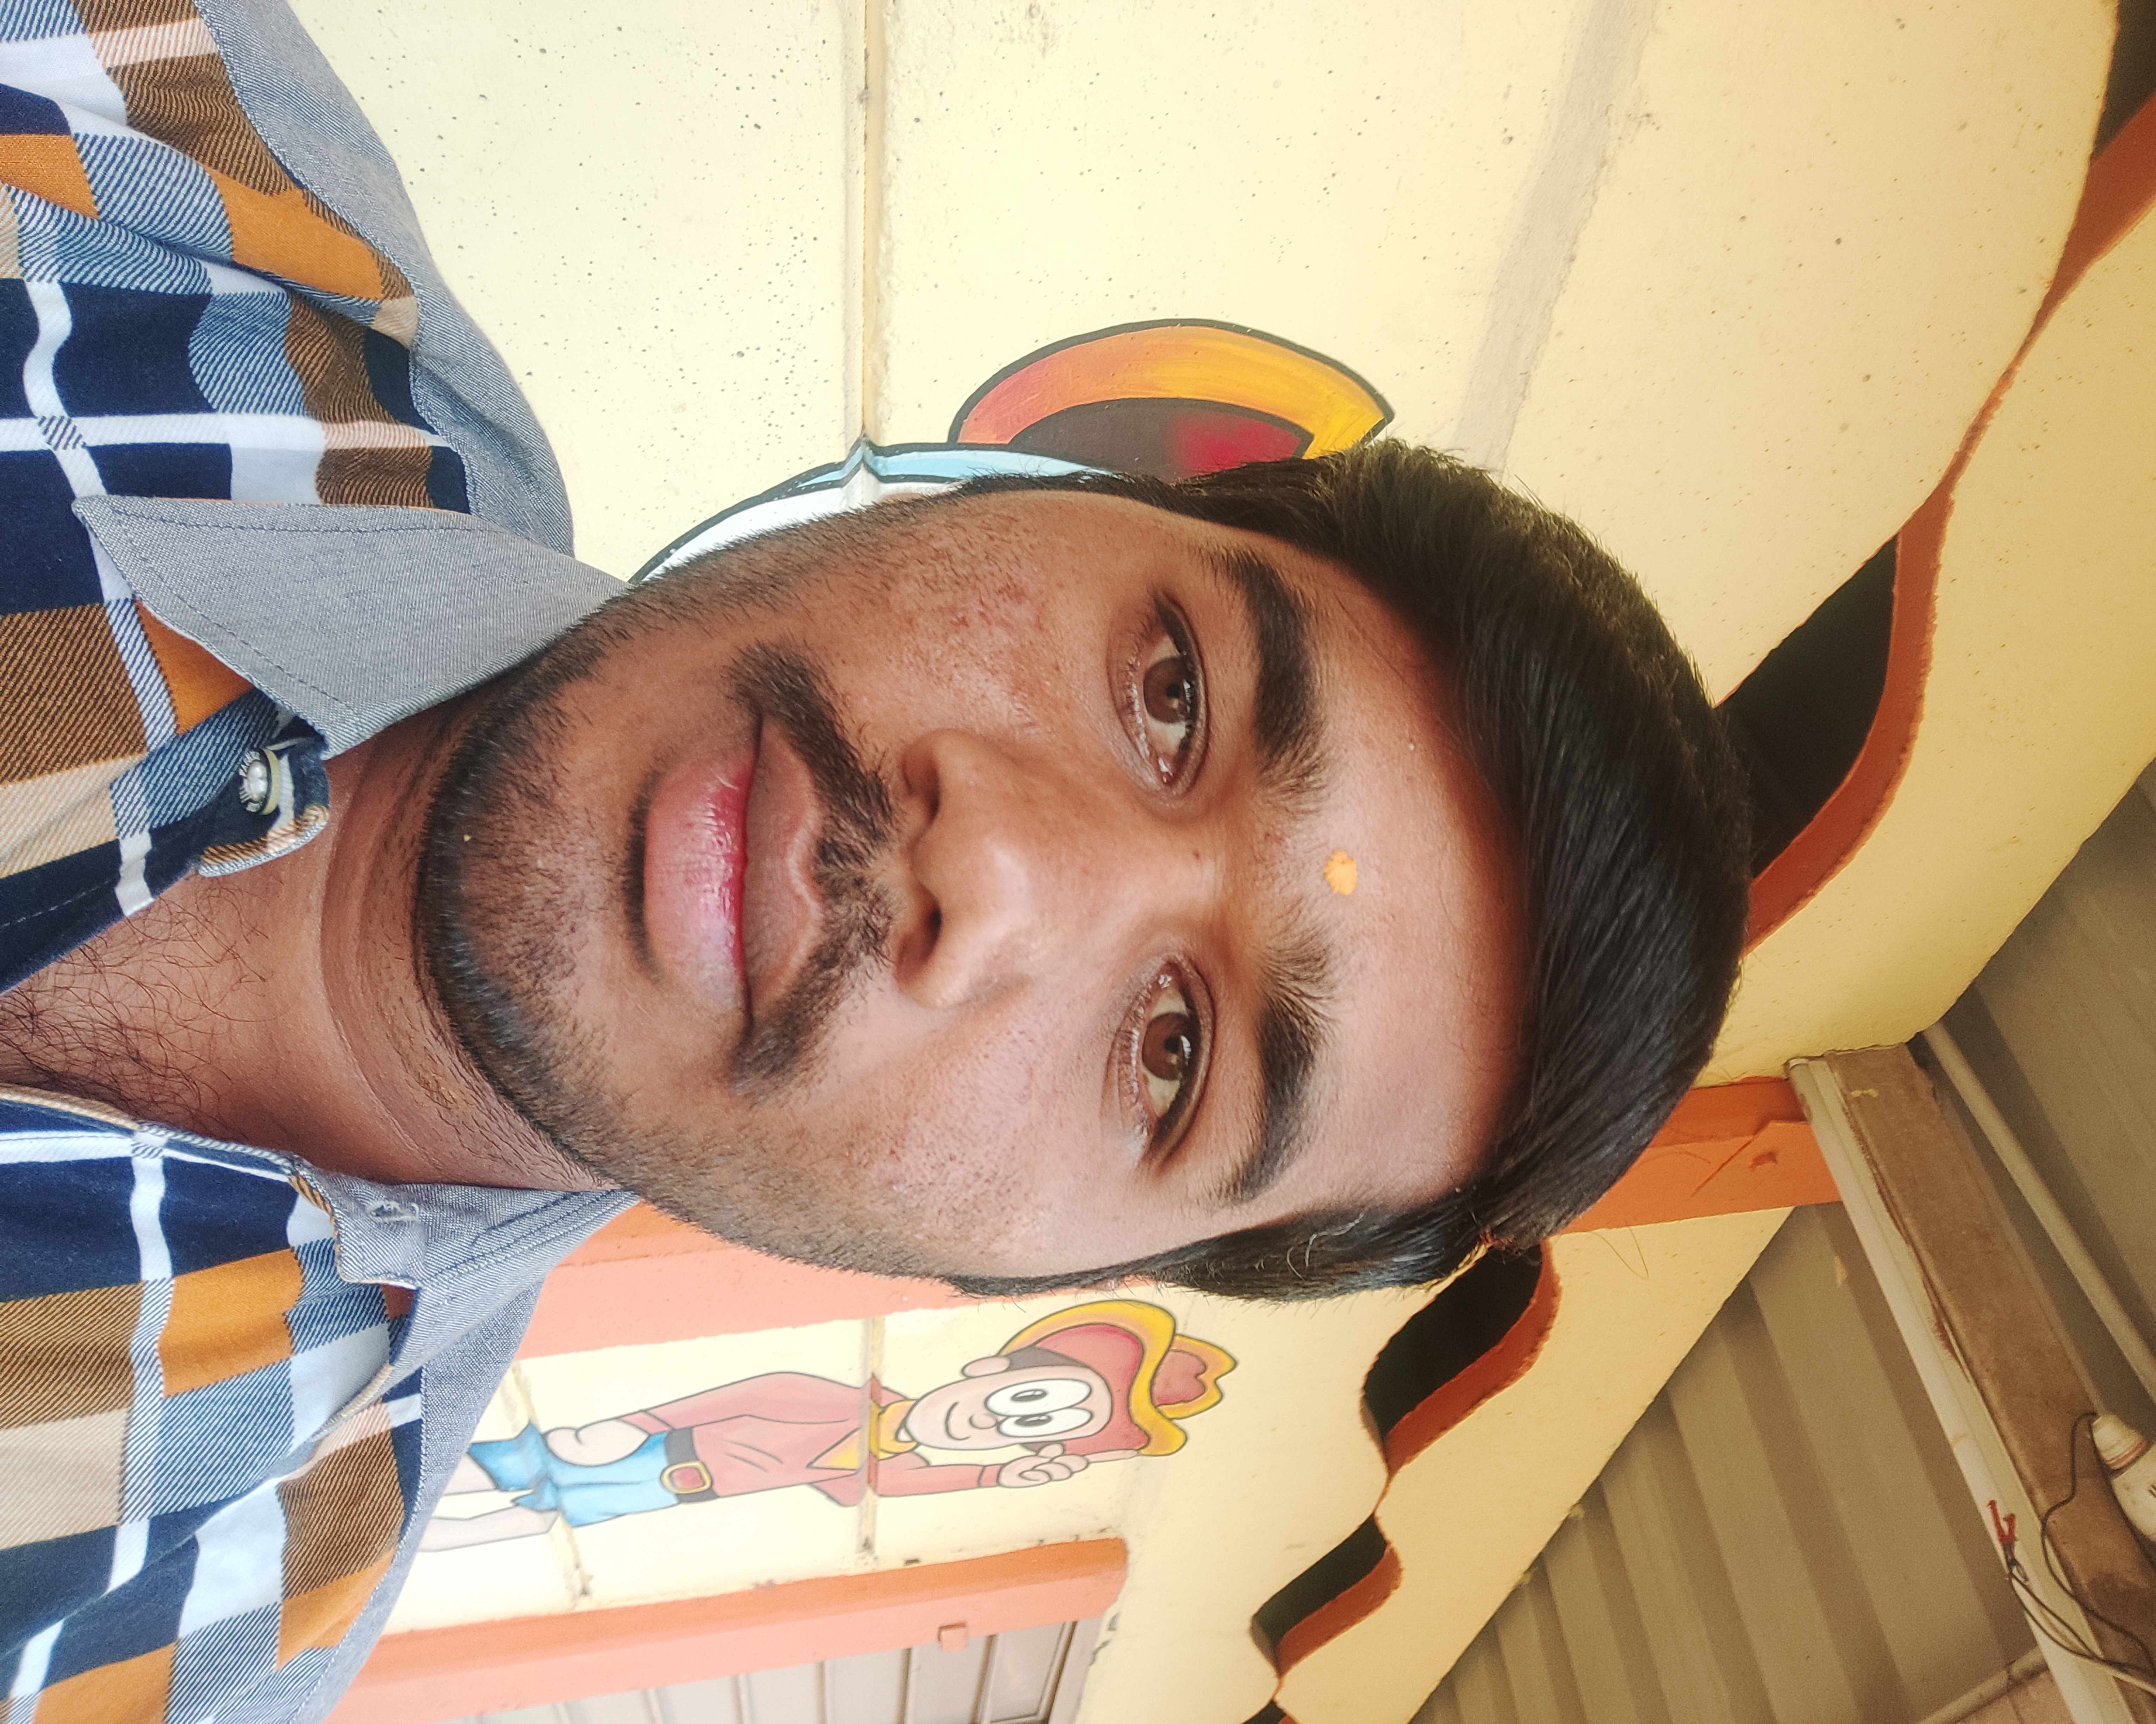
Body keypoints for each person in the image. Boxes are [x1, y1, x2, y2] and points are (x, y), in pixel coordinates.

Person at [0, 0, 1747, 1717]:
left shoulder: (170, 1632)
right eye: (1173, 693)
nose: (997, 868)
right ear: (1033, 494)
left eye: (1173, 1052)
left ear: (1029, 1277)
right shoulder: (159, 164)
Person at [418, 1298, 1235, 1547]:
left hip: (679, 1491)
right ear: (990, 1370)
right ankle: (396, 1490)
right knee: (528, 1464)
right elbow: (744, 1393)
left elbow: (909, 1482)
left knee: (541, 1518)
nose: (988, 1422)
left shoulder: (883, 1466)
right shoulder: (831, 1399)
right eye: (1020, 1400)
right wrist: (637, 1421)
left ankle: (399, 1538)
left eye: (1025, 1429)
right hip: (661, 1446)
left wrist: (995, 1474)